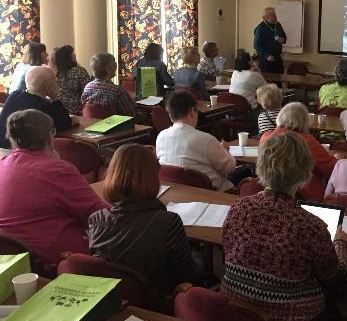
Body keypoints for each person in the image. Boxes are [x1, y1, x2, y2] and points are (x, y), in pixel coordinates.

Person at [222, 132, 347, 321]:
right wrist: (342, 244)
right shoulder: (310, 225)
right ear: (304, 172)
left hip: (235, 311)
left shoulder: (238, 209)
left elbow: (227, 251)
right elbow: (333, 274)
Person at [88, 143, 203, 295]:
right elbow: (189, 278)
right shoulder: (168, 222)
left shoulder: (95, 220)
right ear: (153, 177)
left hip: (116, 299)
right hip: (159, 302)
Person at [0, 110, 109, 266]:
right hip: (60, 262)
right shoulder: (57, 171)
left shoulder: (3, 165)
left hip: (12, 263)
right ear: (50, 138)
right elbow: (102, 216)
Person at [156, 92, 237, 191]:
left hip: (175, 192)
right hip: (212, 193)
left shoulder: (160, 136)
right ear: (192, 111)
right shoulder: (206, 139)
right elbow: (229, 168)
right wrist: (225, 151)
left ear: (170, 115)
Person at [260, 102, 337, 201]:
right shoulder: (306, 141)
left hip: (272, 193)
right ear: (304, 121)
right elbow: (332, 169)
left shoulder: (265, 137)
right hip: (305, 195)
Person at [0, 67, 74, 149]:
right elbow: (65, 124)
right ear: (48, 85)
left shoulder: (14, 95)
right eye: (55, 80)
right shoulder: (42, 105)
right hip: (17, 152)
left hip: (3, 147)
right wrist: (55, 98)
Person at [82, 53, 137, 117]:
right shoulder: (117, 91)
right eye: (114, 64)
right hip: (114, 126)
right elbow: (131, 115)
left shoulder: (87, 87)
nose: (116, 65)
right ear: (108, 69)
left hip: (91, 125)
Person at [49, 45, 91, 115]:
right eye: (72, 53)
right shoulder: (79, 71)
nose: (75, 54)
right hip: (78, 112)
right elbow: (87, 92)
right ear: (67, 57)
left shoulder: (54, 73)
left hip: (60, 111)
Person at [254, 7, 287, 74]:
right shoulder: (260, 28)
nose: (276, 16)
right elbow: (257, 45)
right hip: (266, 60)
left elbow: (284, 36)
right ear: (266, 17)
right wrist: (267, 55)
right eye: (273, 15)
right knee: (267, 82)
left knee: (279, 81)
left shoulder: (278, 25)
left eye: (275, 14)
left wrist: (283, 39)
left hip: (277, 58)